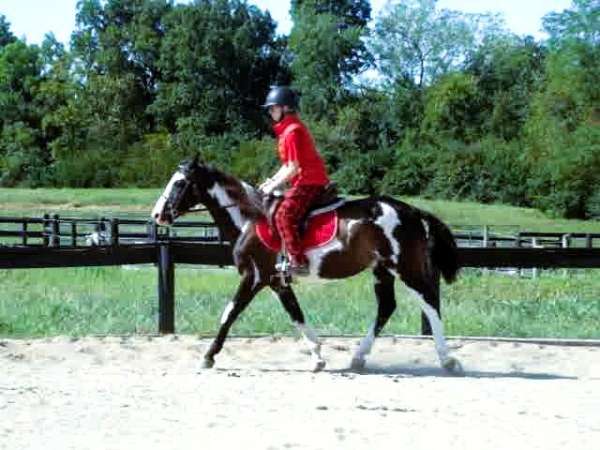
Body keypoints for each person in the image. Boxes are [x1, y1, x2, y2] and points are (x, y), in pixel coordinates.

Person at [259, 86, 330, 275]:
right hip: (303, 180)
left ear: (285, 108)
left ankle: (298, 262)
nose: (270, 112)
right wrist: (270, 182)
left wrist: (273, 186)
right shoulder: (286, 131)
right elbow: (287, 164)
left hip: (310, 182)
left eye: (272, 108)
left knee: (284, 215)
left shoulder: (292, 131)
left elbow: (294, 168)